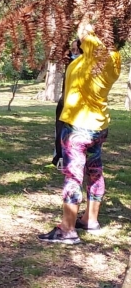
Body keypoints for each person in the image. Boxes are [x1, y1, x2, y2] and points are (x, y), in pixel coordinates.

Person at [38, 23, 123, 245]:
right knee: (94, 172)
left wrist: (88, 8)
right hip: (98, 127)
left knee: (73, 176)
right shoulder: (114, 59)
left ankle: (67, 230)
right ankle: (90, 220)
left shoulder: (96, 57)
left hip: (77, 127)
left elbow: (85, 29)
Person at [53, 39, 82, 167]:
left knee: (76, 135)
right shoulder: (69, 62)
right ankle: (60, 160)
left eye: (77, 50)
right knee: (60, 132)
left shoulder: (86, 66)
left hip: (80, 106)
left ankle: (75, 162)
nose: (74, 53)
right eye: (72, 50)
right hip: (64, 103)